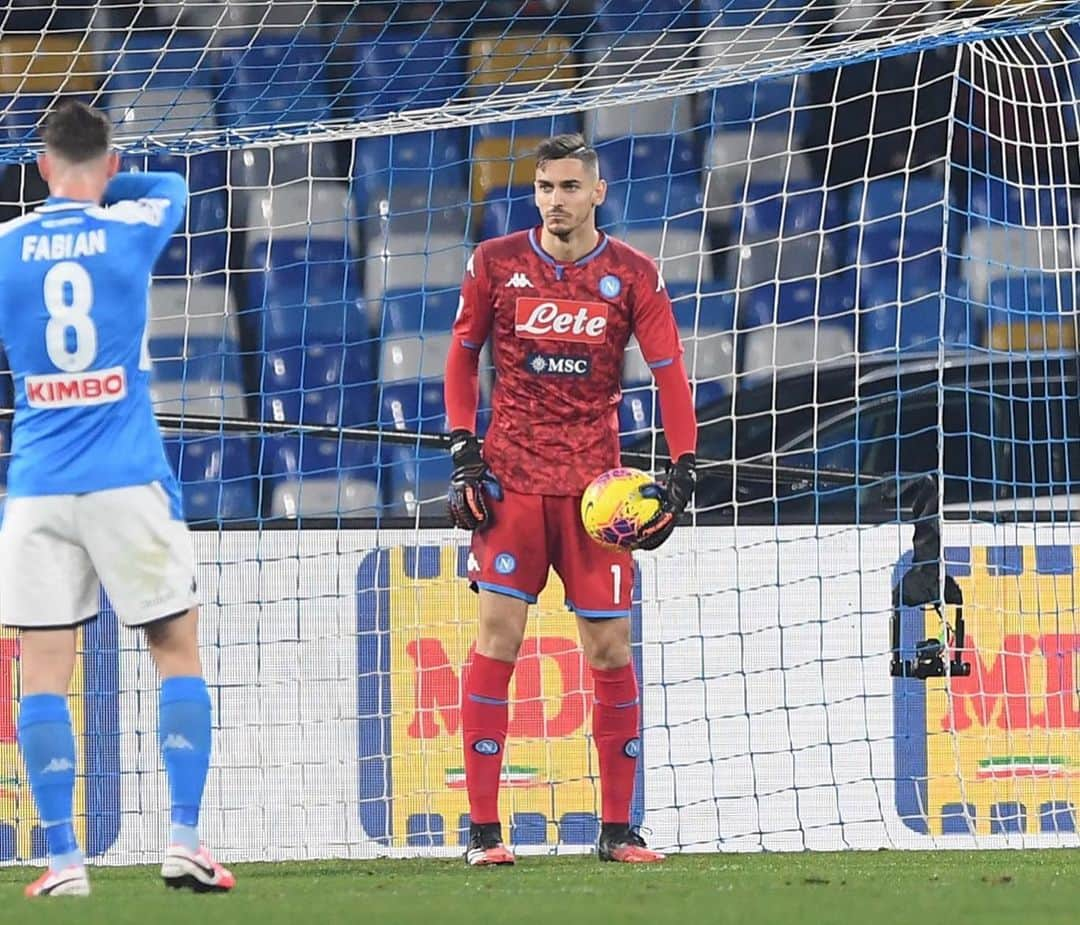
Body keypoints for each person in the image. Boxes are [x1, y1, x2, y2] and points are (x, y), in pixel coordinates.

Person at [0, 100, 234, 897]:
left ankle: (65, 858)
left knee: (41, 673)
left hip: (34, 485)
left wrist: (52, 194)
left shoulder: (5, 245)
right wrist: (101, 181)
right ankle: (184, 841)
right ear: (105, 164)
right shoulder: (132, 221)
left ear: (38, 165)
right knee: (175, 648)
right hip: (126, 477)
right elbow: (167, 179)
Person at [444, 133, 697, 866]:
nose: (556, 199)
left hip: (599, 497)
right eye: (545, 188)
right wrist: (463, 447)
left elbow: (671, 373)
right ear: (536, 195)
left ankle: (617, 828)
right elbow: (462, 356)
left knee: (611, 647)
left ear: (598, 192)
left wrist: (682, 466)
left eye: (568, 187)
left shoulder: (633, 273)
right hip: (511, 484)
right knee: (498, 637)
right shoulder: (496, 264)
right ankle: (486, 832)